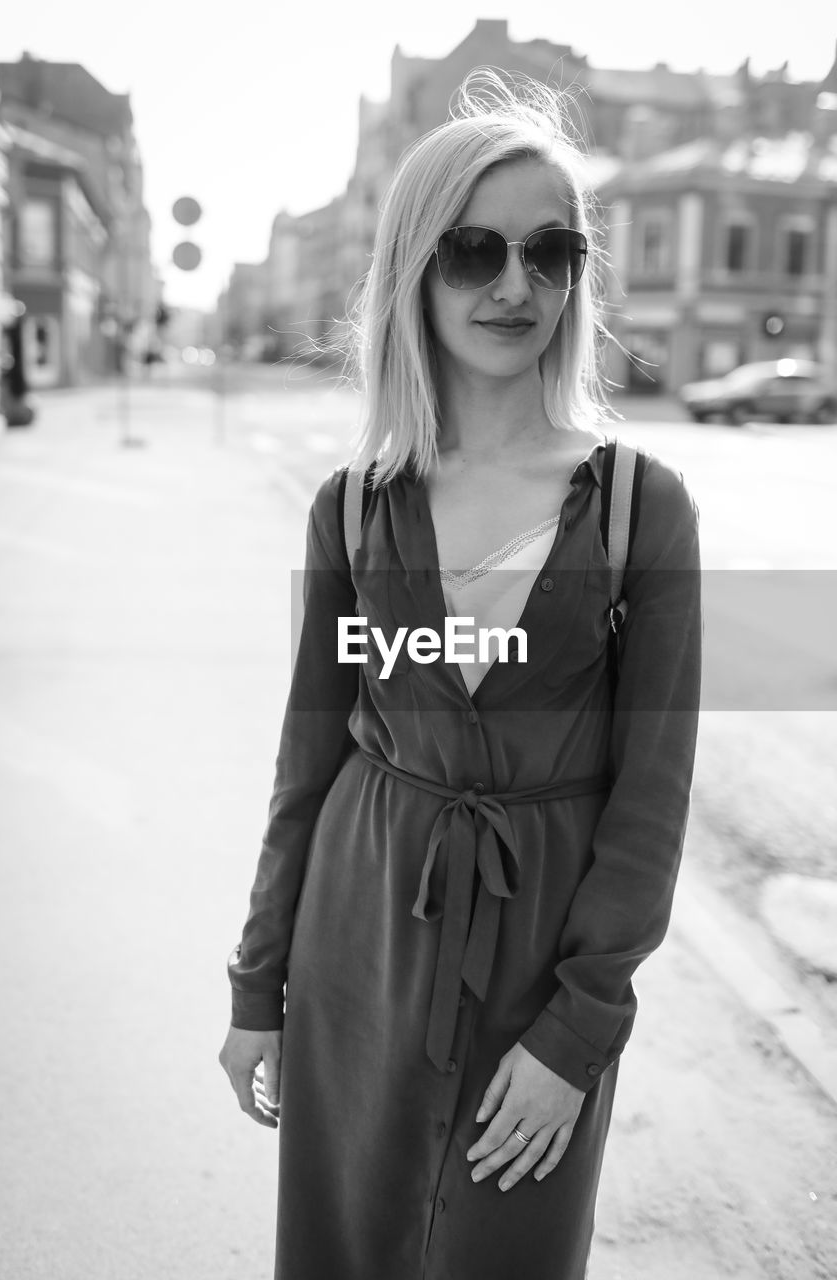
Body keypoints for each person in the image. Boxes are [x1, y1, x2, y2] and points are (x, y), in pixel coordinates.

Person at [219, 68, 702, 1280]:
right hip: (359, 945)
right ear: (411, 270)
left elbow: (652, 800)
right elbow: (307, 760)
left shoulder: (644, 509)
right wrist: (256, 984)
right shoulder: (353, 510)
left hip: (539, 967)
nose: (515, 286)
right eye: (474, 250)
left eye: (551, 252)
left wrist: (579, 1029)